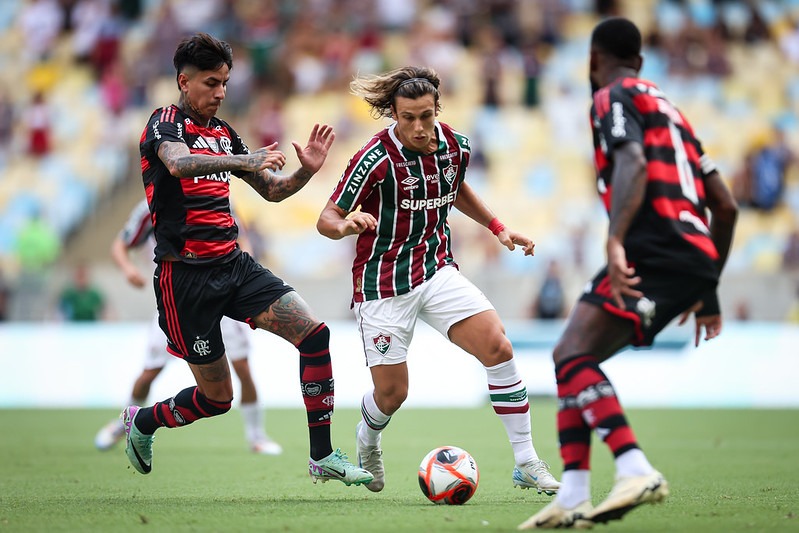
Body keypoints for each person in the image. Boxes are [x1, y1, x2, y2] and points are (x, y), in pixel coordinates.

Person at [123, 32, 372, 487]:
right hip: (185, 280)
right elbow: (178, 164)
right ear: (184, 80)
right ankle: (143, 422)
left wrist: (305, 172)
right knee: (217, 399)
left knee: (314, 336)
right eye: (210, 83)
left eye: (225, 83)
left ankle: (322, 457)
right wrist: (245, 159)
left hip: (234, 266)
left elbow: (273, 191)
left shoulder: (224, 134)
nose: (220, 92)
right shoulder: (164, 124)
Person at [518, 17, 737, 529]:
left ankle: (635, 467)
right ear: (640, 60)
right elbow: (724, 207)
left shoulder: (611, 96)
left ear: (594, 61)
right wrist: (708, 288)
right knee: (572, 355)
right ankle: (572, 496)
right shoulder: (671, 111)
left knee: (572, 354)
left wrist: (615, 238)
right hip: (691, 255)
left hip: (653, 246)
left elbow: (632, 162)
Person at [316, 66, 560, 495]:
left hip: (435, 268)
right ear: (393, 113)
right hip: (383, 283)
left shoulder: (454, 146)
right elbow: (326, 218)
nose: (418, 127)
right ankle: (367, 437)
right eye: (408, 117)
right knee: (392, 394)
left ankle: (526, 461)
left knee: (498, 347)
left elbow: (456, 186)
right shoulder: (373, 158)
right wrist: (345, 225)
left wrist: (497, 227)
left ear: (436, 110)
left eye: (426, 116)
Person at [94, 198, 282, 455]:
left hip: (223, 295)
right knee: (150, 371)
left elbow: (242, 236)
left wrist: (244, 270)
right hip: (176, 300)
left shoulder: (217, 193)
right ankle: (124, 424)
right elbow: (121, 243)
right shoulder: (151, 204)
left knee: (243, 368)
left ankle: (256, 436)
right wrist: (128, 269)